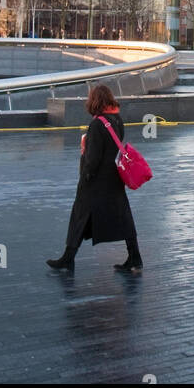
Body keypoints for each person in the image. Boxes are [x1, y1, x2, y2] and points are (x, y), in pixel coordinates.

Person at [47, 85, 143, 274]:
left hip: (96, 181)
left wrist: (85, 173)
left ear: (94, 101)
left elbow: (93, 158)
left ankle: (68, 258)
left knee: (80, 216)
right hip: (114, 179)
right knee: (123, 217)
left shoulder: (97, 124)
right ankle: (134, 256)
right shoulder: (117, 120)